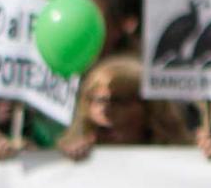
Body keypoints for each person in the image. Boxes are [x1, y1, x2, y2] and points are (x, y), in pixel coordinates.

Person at [55, 56, 193, 160]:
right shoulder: (66, 155)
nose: (105, 110)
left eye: (118, 101)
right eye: (99, 100)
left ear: (149, 108)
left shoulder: (181, 157)